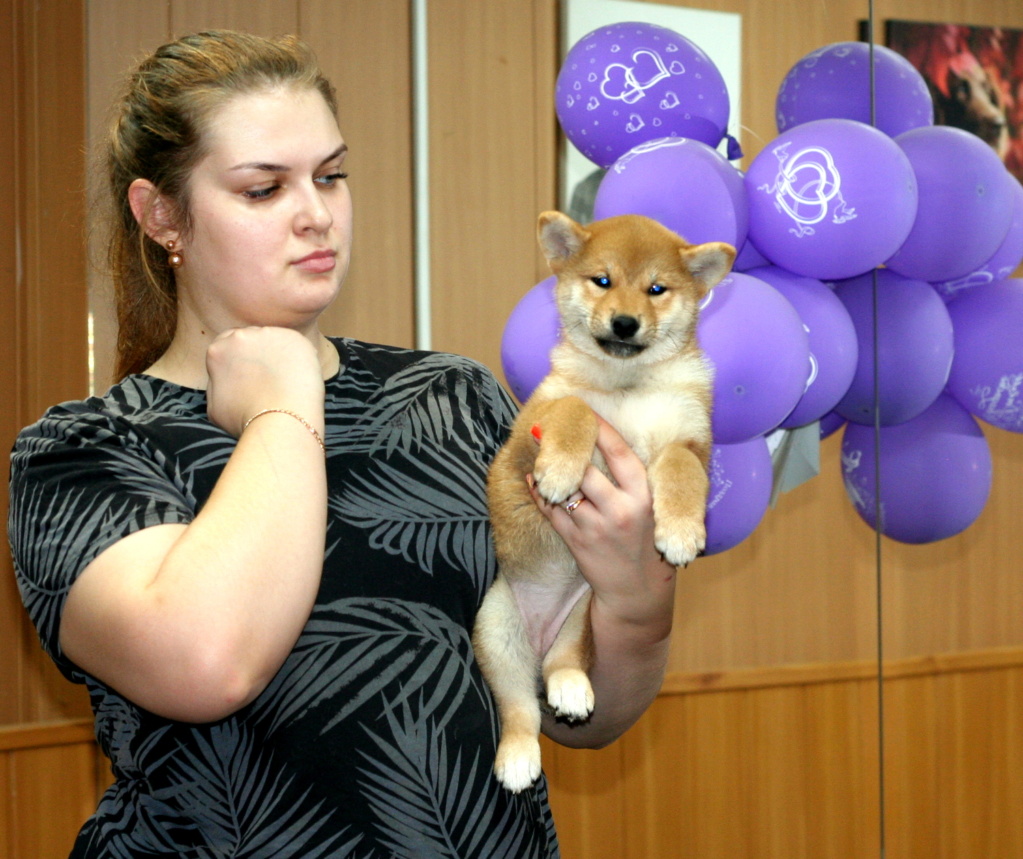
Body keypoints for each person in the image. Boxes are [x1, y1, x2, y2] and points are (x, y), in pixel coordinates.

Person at [8, 30, 678, 858]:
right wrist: (286, 398)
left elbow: (579, 718)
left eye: (330, 175)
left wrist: (636, 603)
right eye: (263, 190)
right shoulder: (82, 449)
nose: (316, 213)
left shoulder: (452, 396)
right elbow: (208, 665)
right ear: (161, 216)